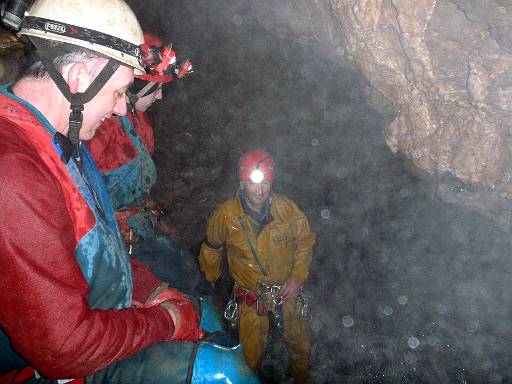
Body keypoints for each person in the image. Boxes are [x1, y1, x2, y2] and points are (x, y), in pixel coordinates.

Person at [0, 1, 259, 383]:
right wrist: (164, 320)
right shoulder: (14, 173)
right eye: (119, 91)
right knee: (221, 373)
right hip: (55, 365)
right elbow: (64, 349)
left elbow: (99, 248)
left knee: (201, 311)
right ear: (77, 78)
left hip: (92, 317)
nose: (124, 108)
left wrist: (154, 290)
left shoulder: (57, 139)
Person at [86, 32, 204, 295]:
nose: (160, 97)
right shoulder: (100, 128)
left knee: (187, 269)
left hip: (142, 218)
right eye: (156, 89)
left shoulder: (140, 121)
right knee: (181, 280)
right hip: (117, 233)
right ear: (135, 88)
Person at [199, 149, 316, 384]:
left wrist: (297, 277)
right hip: (250, 297)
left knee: (300, 344)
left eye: (265, 184)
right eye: (254, 184)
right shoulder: (226, 215)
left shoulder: (288, 210)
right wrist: (210, 285)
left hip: (287, 291)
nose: (260, 190)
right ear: (242, 183)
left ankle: (302, 379)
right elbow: (211, 248)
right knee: (249, 355)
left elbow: (305, 242)